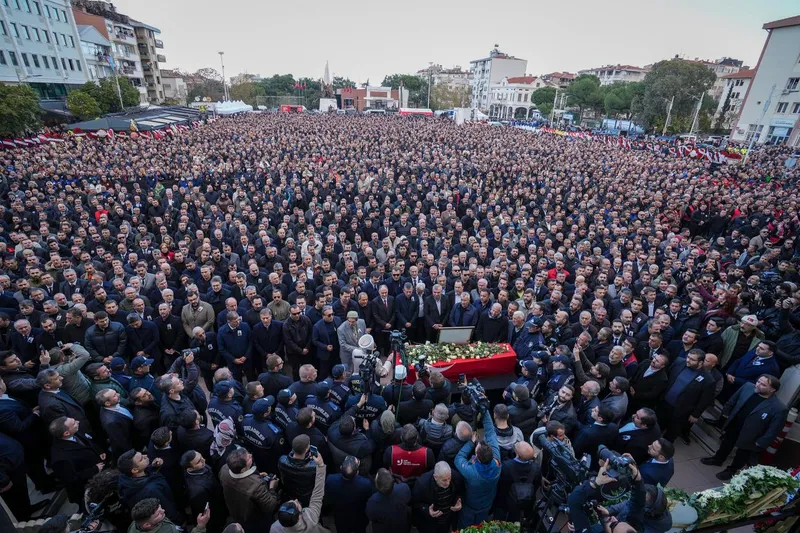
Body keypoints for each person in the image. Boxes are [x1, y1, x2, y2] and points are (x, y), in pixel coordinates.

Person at [701, 374, 788, 480]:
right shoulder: (747, 387)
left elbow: (774, 430)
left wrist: (761, 442)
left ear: (772, 390)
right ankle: (717, 459)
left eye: (763, 385)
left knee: (742, 455)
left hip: (752, 436)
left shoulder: (778, 408)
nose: (758, 385)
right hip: (735, 425)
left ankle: (731, 471)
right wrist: (725, 415)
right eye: (758, 381)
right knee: (726, 443)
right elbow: (733, 400)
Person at [455, 399, 501, 527]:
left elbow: (458, 459)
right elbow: (490, 432)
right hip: (486, 504)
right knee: (481, 526)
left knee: (464, 527)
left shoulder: (471, 472)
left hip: (470, 506)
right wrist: (484, 410)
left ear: (477, 457)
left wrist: (471, 442)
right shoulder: (497, 462)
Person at [660, 349, 715, 443]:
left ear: (700, 362)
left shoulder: (708, 380)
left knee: (671, 434)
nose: (688, 360)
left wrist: (695, 415)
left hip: (681, 412)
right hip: (664, 404)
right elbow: (668, 376)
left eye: (692, 359)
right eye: (688, 357)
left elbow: (704, 400)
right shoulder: (679, 362)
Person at [220, 447, 280, 532]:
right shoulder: (256, 485)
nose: (251, 455)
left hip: (236, 511)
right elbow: (270, 505)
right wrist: (272, 487)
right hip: (254, 519)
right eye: (249, 458)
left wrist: (257, 475)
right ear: (243, 469)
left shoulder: (224, 469)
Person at [117, 449, 184, 525]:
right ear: (134, 470)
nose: (145, 456)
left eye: (142, 454)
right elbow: (167, 508)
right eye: (141, 459)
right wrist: (177, 522)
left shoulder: (125, 477)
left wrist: (152, 467)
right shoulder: (151, 491)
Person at [271, 449, 328, 532]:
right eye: (297, 505)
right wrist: (321, 466)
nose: (296, 500)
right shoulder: (311, 518)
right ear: (299, 517)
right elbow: (317, 494)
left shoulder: (274, 529)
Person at [412, 461, 465, 533]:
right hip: (430, 523)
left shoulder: (456, 477)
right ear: (435, 477)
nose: (448, 483)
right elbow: (415, 503)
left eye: (449, 478)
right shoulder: (422, 484)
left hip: (448, 520)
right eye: (444, 480)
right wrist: (427, 510)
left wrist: (459, 501)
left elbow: (461, 492)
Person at [324, 455, 373, 533]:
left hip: (341, 517)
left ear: (341, 467)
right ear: (357, 472)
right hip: (359, 517)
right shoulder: (365, 484)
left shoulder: (330, 480)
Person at [494, 441, 540, 523]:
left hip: (505, 505)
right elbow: (536, 486)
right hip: (526, 505)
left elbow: (500, 487)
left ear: (517, 454)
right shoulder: (536, 469)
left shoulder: (505, 467)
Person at [366, 468, 412, 533]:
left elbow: (371, 517)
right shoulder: (404, 488)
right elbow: (408, 500)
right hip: (401, 527)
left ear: (377, 486)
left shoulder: (372, 501)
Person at [127, 497, 211, 533]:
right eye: (158, 514)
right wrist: (200, 526)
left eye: (161, 508)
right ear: (147, 525)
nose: (163, 511)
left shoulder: (136, 523)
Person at [277, 434, 318, 507]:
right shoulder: (313, 467)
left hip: (290, 493)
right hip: (306, 496)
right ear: (306, 449)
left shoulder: (282, 460)